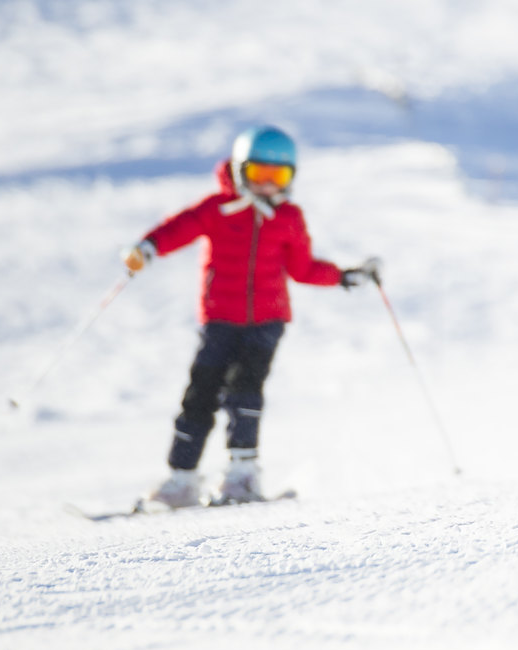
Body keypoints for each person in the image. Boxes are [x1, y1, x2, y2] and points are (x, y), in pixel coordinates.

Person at [123, 125, 378, 507]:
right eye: (260, 174)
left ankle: (242, 478)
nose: (268, 186)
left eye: (279, 177)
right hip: (220, 320)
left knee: (244, 391)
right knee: (200, 395)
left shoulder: (288, 218)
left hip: (266, 322)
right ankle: (181, 482)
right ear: (241, 171)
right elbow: (181, 228)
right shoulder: (217, 209)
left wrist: (342, 276)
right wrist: (150, 247)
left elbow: (302, 268)